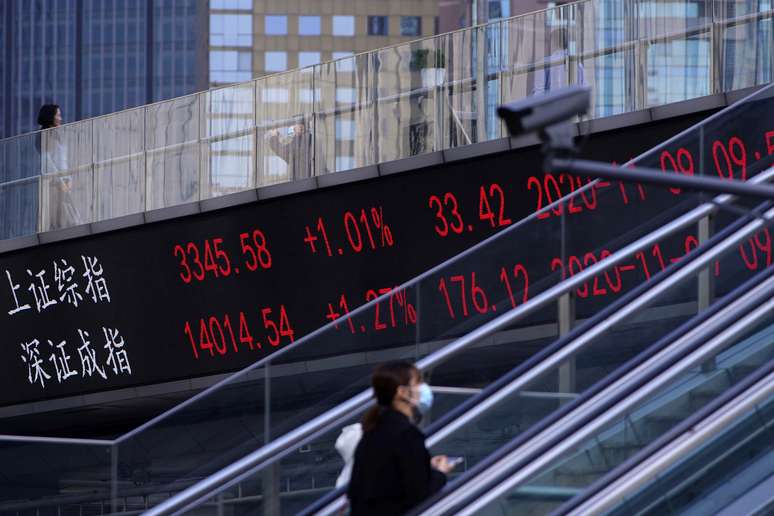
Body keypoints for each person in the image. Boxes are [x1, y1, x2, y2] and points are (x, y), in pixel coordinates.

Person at [347, 362, 454, 515]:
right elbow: (419, 493)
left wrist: (423, 466)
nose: (423, 388)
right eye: (418, 382)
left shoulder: (373, 429)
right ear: (402, 392)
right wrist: (441, 473)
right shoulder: (405, 433)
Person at [37, 104, 81, 229]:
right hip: (54, 185)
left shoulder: (56, 134)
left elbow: (63, 160)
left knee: (69, 219)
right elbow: (47, 162)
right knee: (61, 222)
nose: (60, 118)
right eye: (58, 115)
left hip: (63, 184)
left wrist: (68, 179)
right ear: (51, 117)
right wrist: (60, 181)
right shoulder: (45, 135)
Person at [533, 27, 585, 96]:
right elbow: (583, 90)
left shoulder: (543, 63)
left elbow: (538, 94)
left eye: (548, 42)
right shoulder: (578, 64)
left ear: (553, 42)